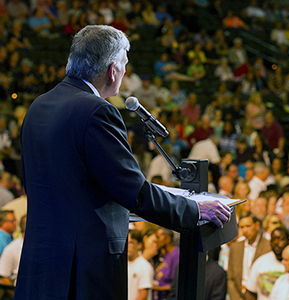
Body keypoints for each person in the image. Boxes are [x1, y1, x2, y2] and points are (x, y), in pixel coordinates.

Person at [15, 25, 231, 300]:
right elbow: (135, 192)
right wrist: (195, 210)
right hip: (82, 269)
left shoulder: (38, 106)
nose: (125, 73)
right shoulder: (97, 111)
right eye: (125, 66)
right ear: (112, 70)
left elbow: (47, 184)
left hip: (40, 262)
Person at [227, 212, 271, 300]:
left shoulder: (268, 247)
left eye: (248, 226)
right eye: (242, 227)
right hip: (238, 295)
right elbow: (230, 278)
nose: (245, 230)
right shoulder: (235, 247)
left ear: (257, 225)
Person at [0, 215, 26, 286]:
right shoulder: (9, 246)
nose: (15, 223)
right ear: (3, 223)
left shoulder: (9, 237)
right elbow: (4, 276)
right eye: (12, 221)